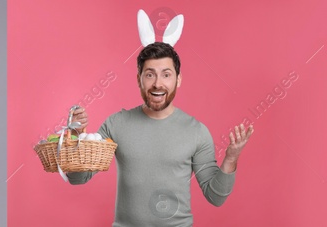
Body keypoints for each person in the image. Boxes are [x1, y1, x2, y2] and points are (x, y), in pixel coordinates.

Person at [62, 11, 253, 226]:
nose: (157, 83)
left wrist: (230, 159)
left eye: (166, 74)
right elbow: (77, 179)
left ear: (178, 80)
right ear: (139, 79)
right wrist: (76, 138)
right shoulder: (116, 124)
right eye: (150, 74)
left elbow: (215, 197)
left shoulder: (197, 132)